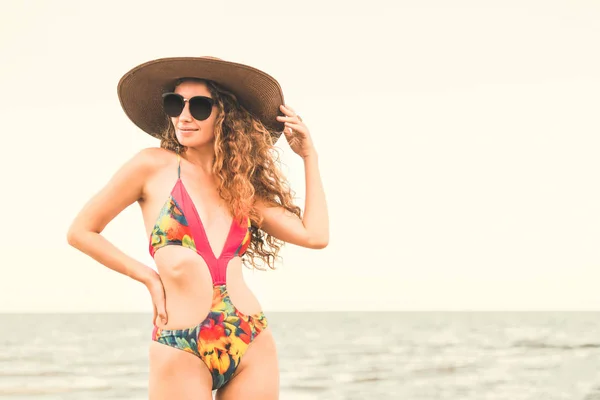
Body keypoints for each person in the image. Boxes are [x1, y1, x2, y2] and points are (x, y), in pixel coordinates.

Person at [66, 56, 329, 399]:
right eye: (175, 104)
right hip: (181, 343)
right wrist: (147, 277)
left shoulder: (241, 188)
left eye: (200, 106)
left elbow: (315, 236)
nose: (184, 116)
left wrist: (310, 157)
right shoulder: (151, 166)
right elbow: (81, 231)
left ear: (225, 114)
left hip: (250, 338)